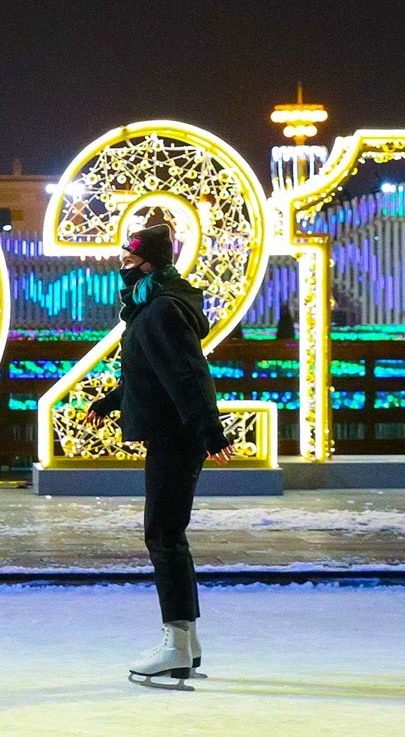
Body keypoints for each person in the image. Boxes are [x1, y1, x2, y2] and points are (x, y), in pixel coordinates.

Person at [84, 222, 233, 688]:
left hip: (177, 435)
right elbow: (147, 373)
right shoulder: (151, 310)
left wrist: (211, 431)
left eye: (128, 263)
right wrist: (111, 401)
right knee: (169, 534)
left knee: (163, 536)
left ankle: (175, 643)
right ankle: (185, 643)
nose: (122, 272)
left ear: (149, 263)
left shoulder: (162, 310)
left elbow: (189, 374)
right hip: (172, 433)